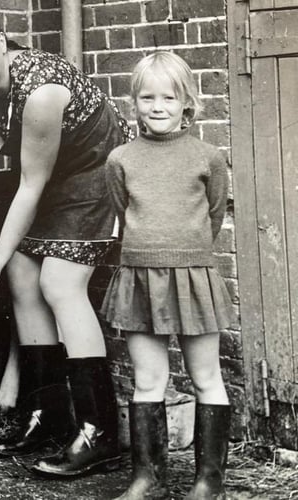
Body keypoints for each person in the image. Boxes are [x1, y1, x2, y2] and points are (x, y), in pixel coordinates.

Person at [0, 0, 134, 478]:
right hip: (46, 175)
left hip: (96, 172)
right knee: (25, 278)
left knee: (60, 284)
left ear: (3, 40)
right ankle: (46, 417)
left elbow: (29, 187)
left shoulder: (42, 91)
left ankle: (100, 431)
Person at [101, 52, 234, 500]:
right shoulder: (120, 159)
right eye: (147, 97)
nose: (157, 106)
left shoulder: (208, 158)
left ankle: (207, 481)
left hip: (193, 276)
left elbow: (213, 215)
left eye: (168, 97)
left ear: (186, 103)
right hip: (139, 276)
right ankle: (147, 479)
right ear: (134, 102)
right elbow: (124, 210)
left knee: (205, 377)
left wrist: (186, 253)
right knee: (148, 380)